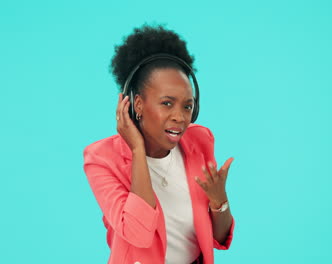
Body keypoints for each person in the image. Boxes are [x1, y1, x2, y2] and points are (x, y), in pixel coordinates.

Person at [83, 25, 235, 264]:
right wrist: (137, 150)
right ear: (138, 105)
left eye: (187, 106)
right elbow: (138, 234)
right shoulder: (102, 159)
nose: (180, 116)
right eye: (167, 103)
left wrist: (219, 202)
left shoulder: (200, 141)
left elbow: (218, 238)